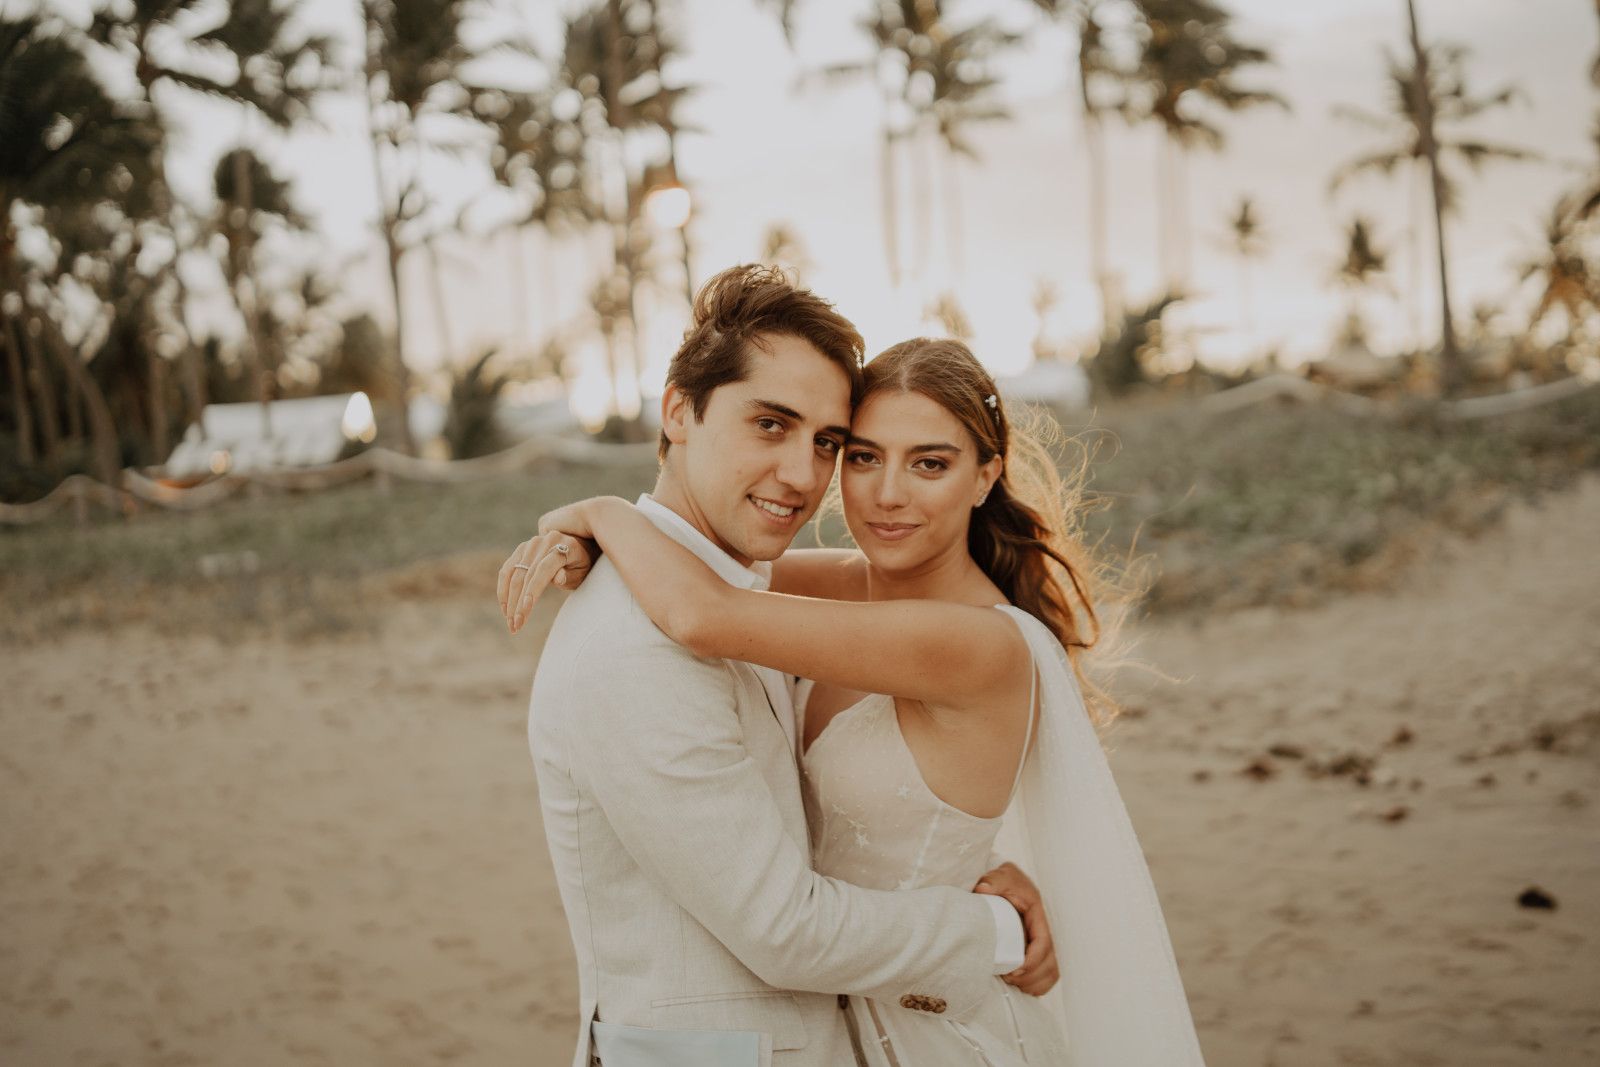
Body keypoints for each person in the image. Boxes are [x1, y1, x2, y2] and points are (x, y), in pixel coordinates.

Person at [505, 326, 1208, 1064]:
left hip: (932, 1026)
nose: (888, 493)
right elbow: (709, 564)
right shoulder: (845, 585)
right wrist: (603, 549)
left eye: (930, 463)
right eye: (863, 456)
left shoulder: (977, 642)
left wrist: (606, 515)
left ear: (984, 477)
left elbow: (703, 611)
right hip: (844, 1010)